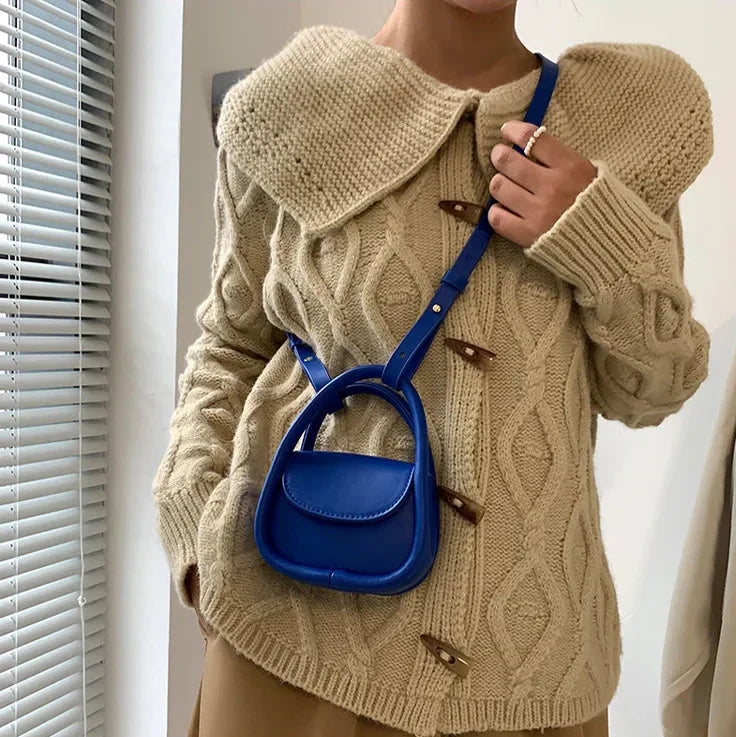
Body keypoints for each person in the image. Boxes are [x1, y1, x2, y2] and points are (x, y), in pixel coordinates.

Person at [151, 1, 714, 735]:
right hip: (291, 643)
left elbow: (652, 390)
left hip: (535, 672)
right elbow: (231, 345)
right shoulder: (286, 110)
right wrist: (194, 529)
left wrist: (597, 238)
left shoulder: (620, 126)